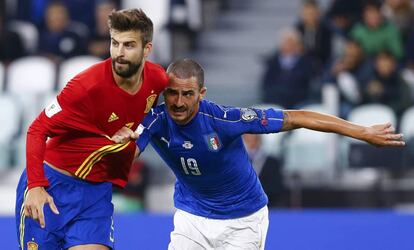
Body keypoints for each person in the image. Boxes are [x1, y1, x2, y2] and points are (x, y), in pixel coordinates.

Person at [112, 58, 405, 249]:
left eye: (187, 94)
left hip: (243, 220)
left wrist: (362, 132)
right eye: (172, 93)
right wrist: (121, 144)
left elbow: (297, 116)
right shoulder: (155, 120)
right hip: (192, 217)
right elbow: (128, 152)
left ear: (202, 94)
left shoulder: (226, 119)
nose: (178, 102)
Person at [15, 8, 168, 250]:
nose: (119, 52)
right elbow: (37, 129)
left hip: (96, 193)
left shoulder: (158, 80)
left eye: (128, 45)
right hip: (53, 186)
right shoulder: (86, 86)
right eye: (114, 43)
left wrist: (136, 143)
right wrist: (35, 186)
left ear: (146, 49)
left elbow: (158, 114)